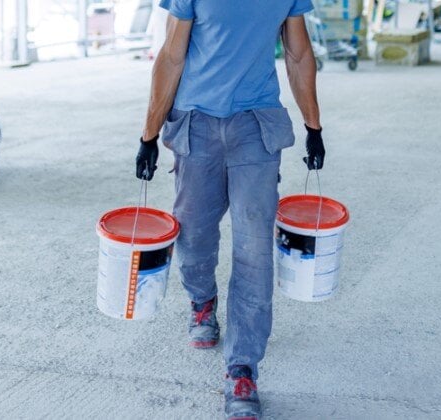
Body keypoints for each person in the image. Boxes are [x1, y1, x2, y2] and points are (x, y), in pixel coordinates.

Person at [133, 1, 325, 418]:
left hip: (256, 126)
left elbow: (298, 53)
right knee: (193, 235)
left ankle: (242, 367)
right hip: (196, 124)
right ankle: (202, 300)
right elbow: (171, 54)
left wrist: (314, 125)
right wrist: (149, 133)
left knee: (254, 250)